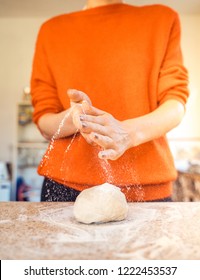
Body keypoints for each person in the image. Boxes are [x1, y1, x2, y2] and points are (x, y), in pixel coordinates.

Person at [30, 0, 189, 202]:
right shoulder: (52, 31)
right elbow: (44, 120)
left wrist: (128, 133)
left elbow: (175, 104)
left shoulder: (163, 19)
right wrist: (76, 118)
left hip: (147, 187)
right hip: (66, 187)